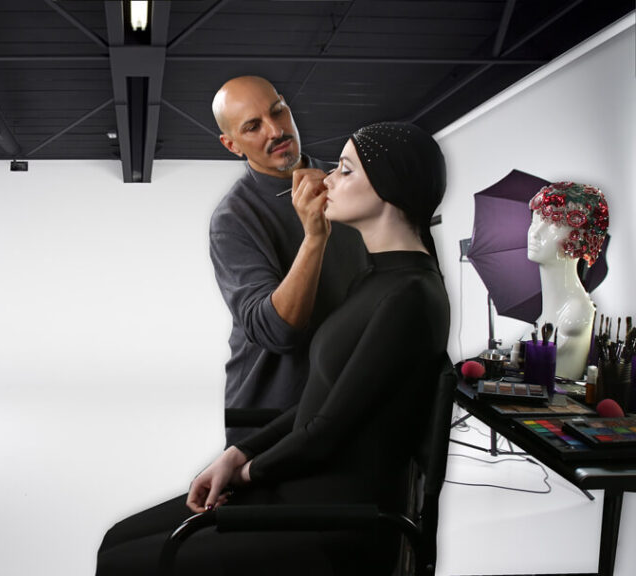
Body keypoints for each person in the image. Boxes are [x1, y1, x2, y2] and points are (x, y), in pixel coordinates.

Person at [97, 122, 451, 575]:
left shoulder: (410, 296)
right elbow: (316, 401)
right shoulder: (376, 278)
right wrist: (235, 456)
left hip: (330, 523)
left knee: (122, 564)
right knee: (115, 541)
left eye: (344, 171)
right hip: (299, 489)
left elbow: (325, 433)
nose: (326, 180)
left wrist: (245, 475)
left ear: (390, 187)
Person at [209, 76, 368, 445]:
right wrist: (314, 238)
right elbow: (277, 332)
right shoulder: (232, 220)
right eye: (253, 126)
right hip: (270, 410)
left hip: (351, 397)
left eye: (278, 111)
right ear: (232, 145)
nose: (276, 130)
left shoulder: (350, 184)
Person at [526, 182, 609, 380]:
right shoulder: (552, 310)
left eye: (553, 224)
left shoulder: (576, 315)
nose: (535, 233)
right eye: (534, 221)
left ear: (579, 238)